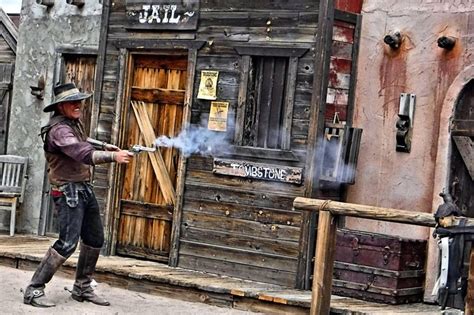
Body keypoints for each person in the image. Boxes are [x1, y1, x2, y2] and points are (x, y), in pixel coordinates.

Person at [23, 82, 133, 307]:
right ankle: (34, 290)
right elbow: (79, 151)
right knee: (67, 243)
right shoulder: (59, 130)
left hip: (83, 187)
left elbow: (83, 142)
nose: (78, 105)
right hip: (67, 192)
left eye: (79, 101)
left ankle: (82, 288)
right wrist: (113, 157)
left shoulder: (71, 123)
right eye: (72, 102)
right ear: (61, 106)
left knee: (94, 239)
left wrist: (105, 145)